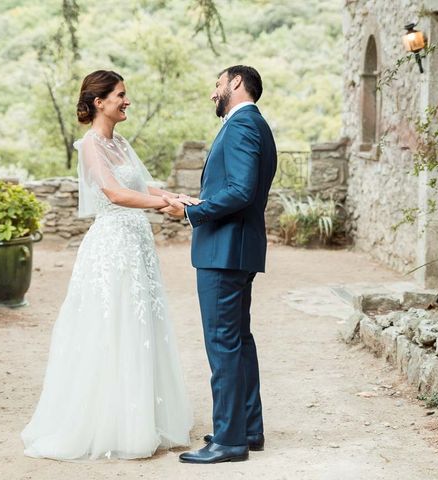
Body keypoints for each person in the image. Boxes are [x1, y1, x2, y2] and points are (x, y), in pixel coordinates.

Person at [21, 70, 195, 461]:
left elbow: (142, 184)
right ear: (99, 102)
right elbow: (115, 193)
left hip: (137, 245)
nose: (126, 101)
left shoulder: (122, 142)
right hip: (112, 245)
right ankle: (107, 423)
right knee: (111, 327)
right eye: (120, 95)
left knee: (141, 326)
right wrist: (164, 206)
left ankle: (141, 417)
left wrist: (174, 195)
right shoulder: (90, 146)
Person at [161, 65, 277, 464]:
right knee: (239, 340)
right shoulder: (253, 125)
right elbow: (237, 187)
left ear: (237, 83)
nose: (214, 92)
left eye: (217, 83)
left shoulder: (243, 125)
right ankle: (248, 428)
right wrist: (202, 202)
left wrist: (196, 212)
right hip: (237, 248)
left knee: (223, 344)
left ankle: (229, 441)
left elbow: (242, 190)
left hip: (224, 251)